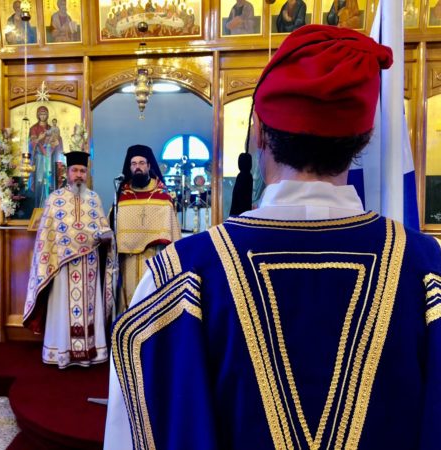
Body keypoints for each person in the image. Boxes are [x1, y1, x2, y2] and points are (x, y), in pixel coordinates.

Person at [106, 24, 441, 449]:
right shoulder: (427, 269)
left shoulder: (181, 277)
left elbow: (136, 432)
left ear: (259, 133)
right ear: (365, 137)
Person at [23, 150, 117, 369]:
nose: (79, 175)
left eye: (82, 171)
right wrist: (80, 240)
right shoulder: (55, 199)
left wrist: (106, 236)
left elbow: (102, 226)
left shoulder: (94, 199)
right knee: (63, 308)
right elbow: (48, 235)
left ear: (87, 173)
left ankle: (91, 352)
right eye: (75, 170)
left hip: (89, 266)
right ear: (67, 172)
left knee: (90, 308)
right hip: (62, 267)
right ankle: (61, 351)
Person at [114, 144, 181, 313]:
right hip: (128, 261)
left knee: (151, 301)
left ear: (149, 166)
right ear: (129, 167)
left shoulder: (162, 195)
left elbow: (172, 232)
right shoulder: (122, 196)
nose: (138, 167)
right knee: (129, 302)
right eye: (134, 163)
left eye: (142, 163)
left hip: (153, 258)